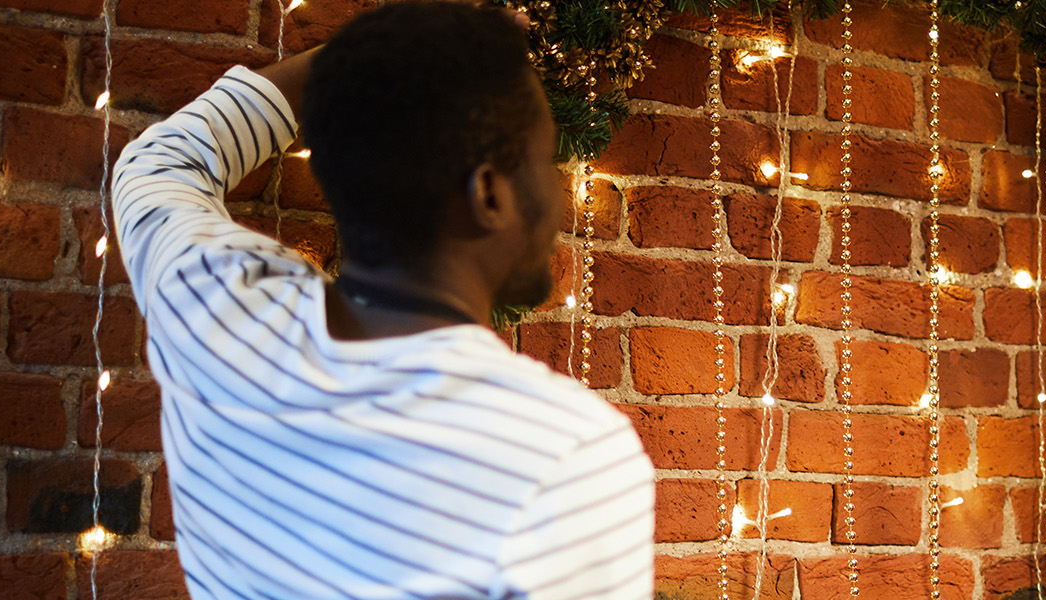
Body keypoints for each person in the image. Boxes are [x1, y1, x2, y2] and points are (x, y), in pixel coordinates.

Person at [110, 3, 653, 598]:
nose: (558, 191)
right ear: (489, 195)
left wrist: (388, 58)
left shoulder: (212, 305)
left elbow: (160, 163)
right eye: (547, 159)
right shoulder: (562, 454)